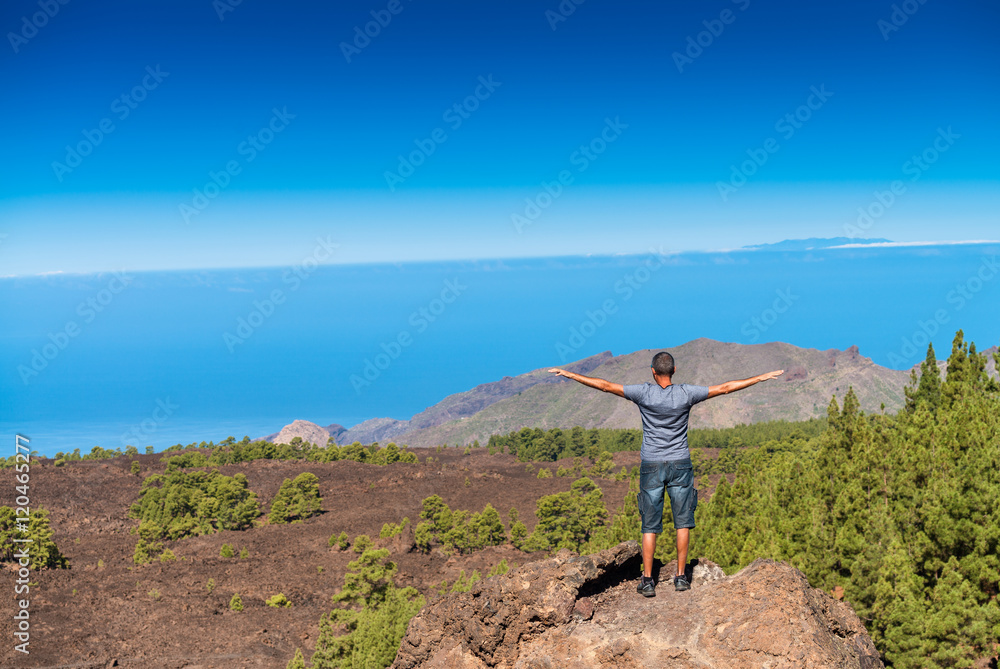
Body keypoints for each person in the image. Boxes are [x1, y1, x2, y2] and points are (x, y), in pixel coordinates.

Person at [549, 351, 783, 597]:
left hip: (651, 464)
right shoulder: (686, 393)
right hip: (680, 463)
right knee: (683, 522)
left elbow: (606, 386)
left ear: (653, 371)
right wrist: (761, 377)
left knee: (649, 526)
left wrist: (570, 374)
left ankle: (648, 580)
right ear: (674, 370)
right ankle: (681, 577)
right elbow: (725, 388)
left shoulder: (644, 393)